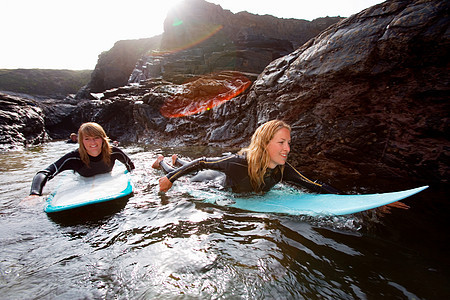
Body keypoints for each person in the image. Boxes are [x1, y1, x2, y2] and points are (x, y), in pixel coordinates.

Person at [153, 120, 341, 194]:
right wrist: (169, 179)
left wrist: (343, 197)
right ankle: (163, 162)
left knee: (194, 167)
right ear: (265, 143)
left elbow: (312, 184)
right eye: (281, 142)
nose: (287, 149)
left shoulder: (283, 170)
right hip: (209, 182)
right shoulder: (238, 163)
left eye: (288, 143)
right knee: (180, 175)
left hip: (220, 174)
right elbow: (202, 162)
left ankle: (177, 159)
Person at [24, 122, 135, 200]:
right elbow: (44, 173)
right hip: (81, 180)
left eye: (96, 137)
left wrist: (135, 184)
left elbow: (130, 166)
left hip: (107, 177)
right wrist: (34, 194)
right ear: (81, 141)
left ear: (103, 138)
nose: (93, 142)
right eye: (87, 139)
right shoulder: (73, 158)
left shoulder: (114, 152)